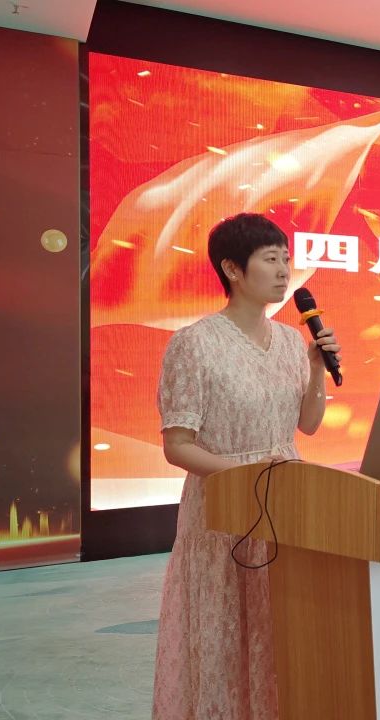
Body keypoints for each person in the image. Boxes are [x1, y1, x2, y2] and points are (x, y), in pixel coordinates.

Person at [151, 213, 341, 720]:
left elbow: (308, 425)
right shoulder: (194, 343)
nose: (283, 271)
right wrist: (247, 480)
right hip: (225, 510)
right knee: (225, 633)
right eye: (270, 259)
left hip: (286, 505)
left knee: (279, 633)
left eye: (286, 259)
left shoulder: (290, 342)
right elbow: (177, 445)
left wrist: (317, 370)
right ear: (233, 269)